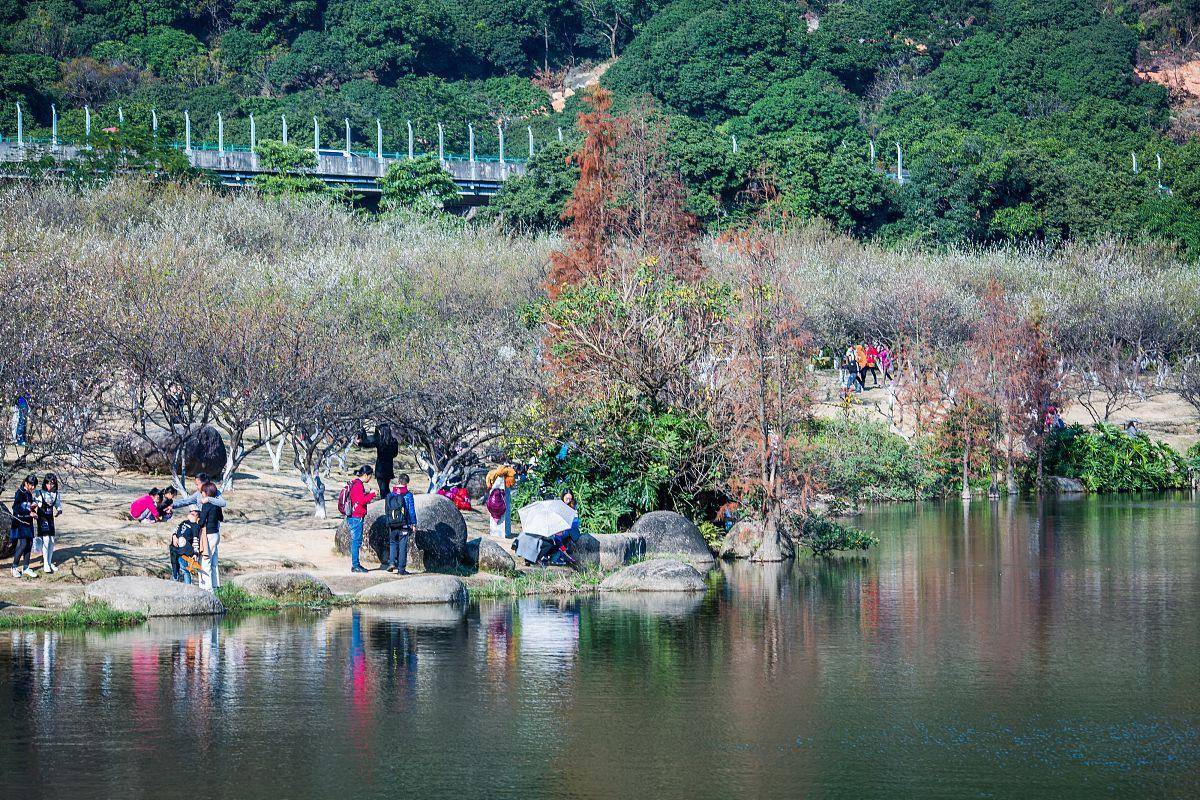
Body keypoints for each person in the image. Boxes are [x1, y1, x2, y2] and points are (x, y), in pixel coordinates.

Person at [384, 474, 417, 574]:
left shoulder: (391, 494)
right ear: (407, 482)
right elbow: (411, 510)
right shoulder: (408, 495)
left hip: (392, 524)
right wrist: (413, 524)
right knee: (403, 545)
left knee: (393, 543)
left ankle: (391, 562)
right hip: (404, 524)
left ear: (398, 481)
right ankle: (401, 570)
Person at [346, 465, 376, 574]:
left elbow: (358, 499)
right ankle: (355, 565)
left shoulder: (355, 483)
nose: (370, 478)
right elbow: (362, 501)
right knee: (356, 542)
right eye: (370, 476)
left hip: (353, 515)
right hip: (356, 517)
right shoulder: (358, 485)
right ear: (365, 475)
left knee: (356, 541)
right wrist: (372, 494)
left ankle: (356, 564)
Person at [196, 481, 224, 590]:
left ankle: (206, 589)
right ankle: (216, 585)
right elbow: (221, 518)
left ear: (206, 492)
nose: (201, 493)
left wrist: (197, 521)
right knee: (214, 561)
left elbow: (202, 521)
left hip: (209, 535)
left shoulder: (206, 504)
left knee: (205, 560)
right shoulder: (217, 504)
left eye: (202, 491)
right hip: (216, 534)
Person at [34, 473, 63, 574]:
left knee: (52, 540)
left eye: (52, 483)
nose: (50, 486)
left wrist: (59, 510)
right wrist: (32, 509)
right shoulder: (39, 493)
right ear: (44, 483)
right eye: (48, 483)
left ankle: (50, 562)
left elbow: (58, 503)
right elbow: (34, 504)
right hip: (41, 518)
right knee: (46, 540)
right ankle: (46, 564)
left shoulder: (56, 493)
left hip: (50, 519)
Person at [359, 424, 399, 498]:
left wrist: (359, 443)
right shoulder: (394, 441)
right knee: (386, 488)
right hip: (389, 468)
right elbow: (395, 454)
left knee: (383, 489)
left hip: (380, 469)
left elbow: (368, 444)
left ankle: (387, 504)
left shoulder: (379, 441)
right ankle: (389, 503)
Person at [10, 474, 37, 578]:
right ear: (26, 483)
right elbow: (15, 508)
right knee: (23, 544)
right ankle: (14, 567)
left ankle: (26, 568)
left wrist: (33, 512)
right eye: (31, 485)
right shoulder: (19, 493)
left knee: (29, 543)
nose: (33, 487)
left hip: (28, 522)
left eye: (34, 485)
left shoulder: (29, 494)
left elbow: (29, 507)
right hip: (20, 523)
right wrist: (28, 512)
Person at [170, 508, 201, 584]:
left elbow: (195, 540)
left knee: (184, 568)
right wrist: (174, 536)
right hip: (174, 547)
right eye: (190, 513)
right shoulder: (184, 522)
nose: (190, 514)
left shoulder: (195, 526)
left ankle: (188, 586)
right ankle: (174, 581)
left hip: (183, 550)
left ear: (197, 518)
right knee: (174, 565)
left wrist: (195, 553)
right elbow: (175, 529)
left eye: (193, 514)